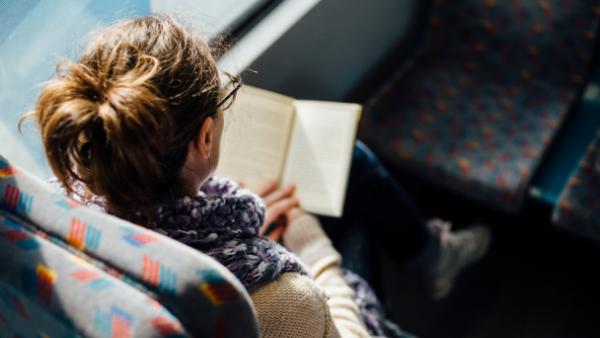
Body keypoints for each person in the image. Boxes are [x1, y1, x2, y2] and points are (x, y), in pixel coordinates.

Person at [26, 15, 489, 338]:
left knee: (352, 164)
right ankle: (432, 258)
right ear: (204, 139)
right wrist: (310, 245)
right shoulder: (277, 301)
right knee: (353, 182)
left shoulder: (60, 214)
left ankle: (431, 257)